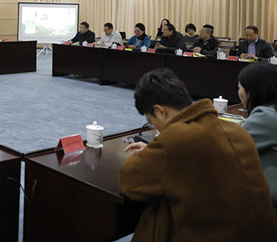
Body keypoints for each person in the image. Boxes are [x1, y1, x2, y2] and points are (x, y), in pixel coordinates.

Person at [119, 68, 277, 241]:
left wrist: (155, 151)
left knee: (160, 209)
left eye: (151, 120)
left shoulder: (175, 138)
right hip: (262, 232)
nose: (154, 126)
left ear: (160, 111)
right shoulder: (235, 130)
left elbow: (129, 182)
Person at [238, 62, 277, 209]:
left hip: (266, 205)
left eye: (239, 87)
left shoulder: (266, 117)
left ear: (251, 90)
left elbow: (230, 146)